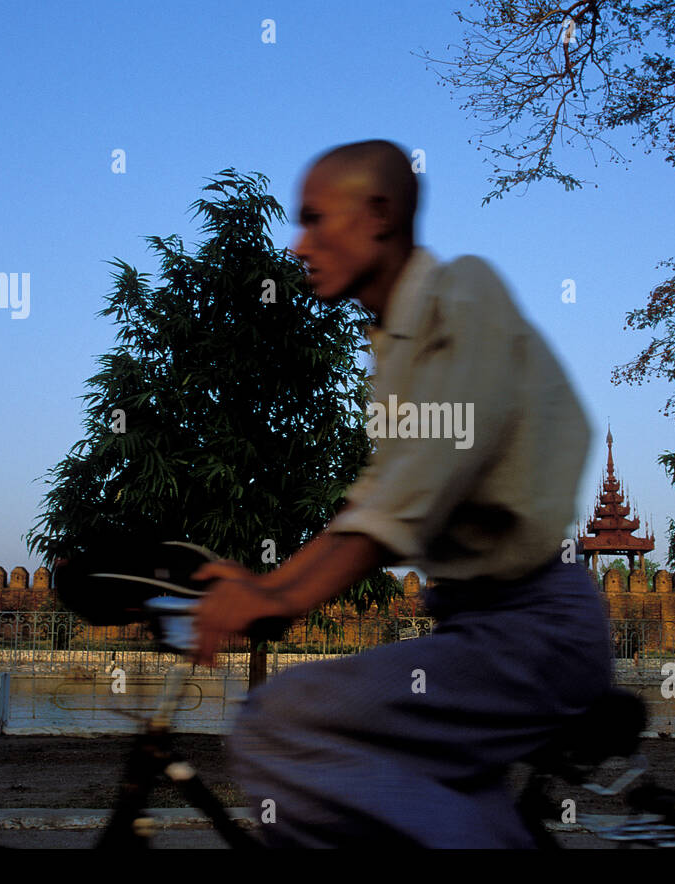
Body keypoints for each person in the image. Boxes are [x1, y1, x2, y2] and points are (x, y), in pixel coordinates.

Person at [190, 139, 612, 847]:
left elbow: (419, 483)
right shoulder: (392, 346)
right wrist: (267, 584)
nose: (298, 245)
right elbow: (373, 500)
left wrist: (280, 598)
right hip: (475, 630)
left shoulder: (464, 292)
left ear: (380, 214)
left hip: (533, 630)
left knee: (276, 725)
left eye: (316, 219)